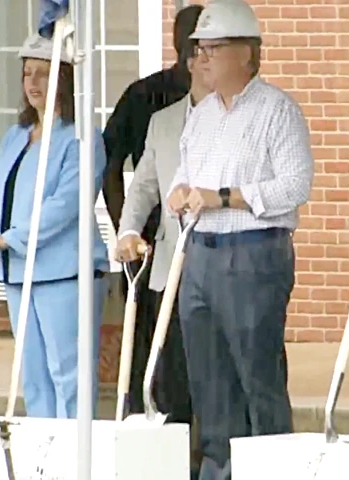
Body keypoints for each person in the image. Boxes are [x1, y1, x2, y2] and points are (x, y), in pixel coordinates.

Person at [165, 1, 314, 478]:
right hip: (200, 256)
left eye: (212, 49)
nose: (201, 59)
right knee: (209, 380)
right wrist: (180, 193)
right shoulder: (201, 115)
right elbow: (184, 175)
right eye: (198, 50)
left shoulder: (277, 110)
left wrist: (225, 196)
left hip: (253, 254)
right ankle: (217, 469)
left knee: (257, 377)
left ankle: (273, 468)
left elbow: (295, 186)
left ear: (247, 54)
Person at [0, 33, 110, 419]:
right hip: (17, 275)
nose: (33, 83)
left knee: (69, 377)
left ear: (64, 80)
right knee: (34, 379)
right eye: (28, 73)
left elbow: (67, 203)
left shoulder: (81, 138)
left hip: (63, 275)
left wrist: (11, 239)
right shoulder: (15, 137)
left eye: (43, 74)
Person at [103, 3, 204, 425]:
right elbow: (115, 167)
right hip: (153, 252)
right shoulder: (148, 100)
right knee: (155, 358)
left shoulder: (226, 108)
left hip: (210, 254)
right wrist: (125, 228)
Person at [114, 38, 210, 477]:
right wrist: (130, 230)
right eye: (199, 55)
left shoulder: (241, 117)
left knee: (217, 383)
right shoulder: (163, 121)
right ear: (188, 63)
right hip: (169, 273)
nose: (205, 63)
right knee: (171, 381)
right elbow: (143, 186)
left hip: (220, 270)